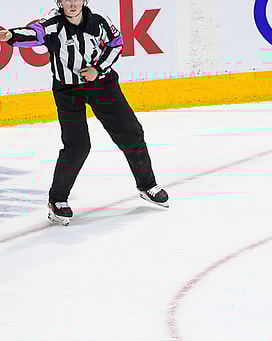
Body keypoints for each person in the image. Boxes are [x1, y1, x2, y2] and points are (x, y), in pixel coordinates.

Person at [0, 0, 169, 226]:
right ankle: (57, 201)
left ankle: (147, 185)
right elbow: (34, 34)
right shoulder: (53, 23)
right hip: (68, 90)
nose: (72, 3)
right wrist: (10, 35)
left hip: (101, 83)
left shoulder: (99, 19)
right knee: (78, 145)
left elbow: (116, 43)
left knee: (131, 133)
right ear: (59, 2)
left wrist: (97, 69)